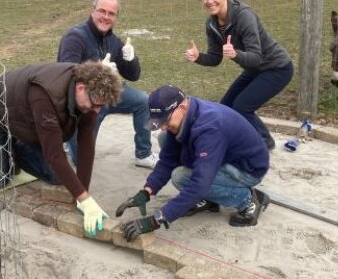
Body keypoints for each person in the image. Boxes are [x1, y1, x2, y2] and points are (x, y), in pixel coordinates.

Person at [0, 61, 123, 237]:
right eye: (95, 105)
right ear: (80, 88)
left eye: (101, 106)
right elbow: (54, 154)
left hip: (27, 119)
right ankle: (3, 148)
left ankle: (13, 148)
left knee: (57, 176)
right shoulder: (46, 93)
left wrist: (83, 195)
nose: (96, 111)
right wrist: (85, 200)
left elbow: (86, 145)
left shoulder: (90, 100)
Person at [115, 85, 270, 242]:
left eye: (166, 120)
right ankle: (210, 201)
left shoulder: (209, 127)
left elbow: (199, 184)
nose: (163, 126)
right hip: (224, 157)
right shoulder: (188, 113)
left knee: (181, 177)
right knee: (165, 138)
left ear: (181, 107)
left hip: (248, 168)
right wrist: (147, 192)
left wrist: (156, 220)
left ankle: (248, 200)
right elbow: (168, 159)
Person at [185, 0, 293, 150]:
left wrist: (236, 54)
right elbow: (214, 59)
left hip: (277, 67)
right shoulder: (211, 24)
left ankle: (264, 142)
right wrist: (198, 57)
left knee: (242, 107)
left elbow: (256, 56)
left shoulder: (243, 16)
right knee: (226, 106)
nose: (210, 1)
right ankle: (232, 139)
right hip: (255, 68)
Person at [57, 0, 156, 168]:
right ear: (92, 11)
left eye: (111, 13)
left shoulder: (112, 40)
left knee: (143, 101)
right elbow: (64, 76)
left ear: (116, 17)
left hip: (107, 96)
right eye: (102, 11)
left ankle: (143, 154)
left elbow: (133, 75)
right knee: (83, 160)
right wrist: (96, 72)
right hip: (82, 103)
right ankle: (67, 135)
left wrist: (131, 58)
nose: (106, 17)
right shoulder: (75, 37)